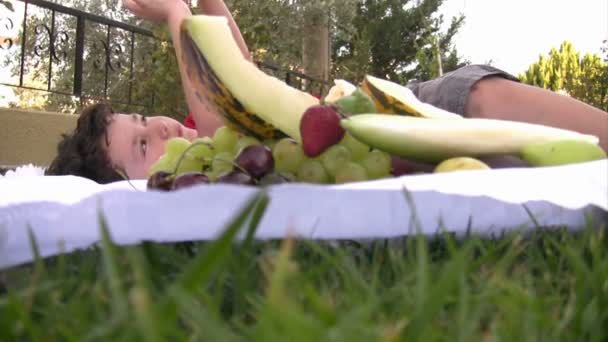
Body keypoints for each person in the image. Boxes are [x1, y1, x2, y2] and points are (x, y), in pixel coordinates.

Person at [46, 0, 608, 183]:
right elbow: (226, 107)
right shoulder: (211, 161)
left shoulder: (204, 134)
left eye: (144, 121)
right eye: (142, 148)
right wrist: (174, 15)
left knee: (492, 104)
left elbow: (239, 72)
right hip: (405, 131)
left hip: (404, 109)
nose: (162, 129)